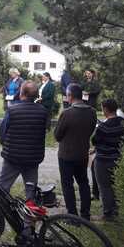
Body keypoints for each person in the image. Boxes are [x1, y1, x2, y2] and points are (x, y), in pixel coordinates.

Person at [0, 81, 48, 201]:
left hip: (12, 156)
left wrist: (5, 143)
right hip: (33, 157)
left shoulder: (12, 110)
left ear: (22, 93)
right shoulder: (43, 112)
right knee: (31, 191)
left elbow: (2, 130)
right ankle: (29, 219)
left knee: (2, 188)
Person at [54, 83, 97, 220]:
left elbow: (57, 135)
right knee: (83, 183)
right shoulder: (92, 112)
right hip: (82, 153)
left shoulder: (67, 113)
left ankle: (72, 216)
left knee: (67, 185)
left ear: (70, 96)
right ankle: (85, 215)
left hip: (66, 155)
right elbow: (91, 130)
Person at [92, 99, 124, 221]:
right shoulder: (123, 123)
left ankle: (108, 213)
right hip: (118, 158)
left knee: (105, 187)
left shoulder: (103, 126)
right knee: (115, 185)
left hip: (103, 160)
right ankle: (117, 209)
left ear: (106, 109)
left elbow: (95, 141)